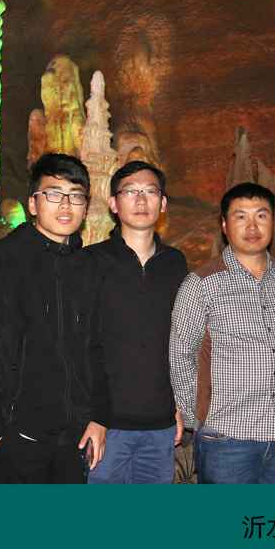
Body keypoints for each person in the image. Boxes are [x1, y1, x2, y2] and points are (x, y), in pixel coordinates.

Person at [0, 153, 107, 483]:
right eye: (54, 194)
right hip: (19, 436)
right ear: (33, 204)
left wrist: (99, 417)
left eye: (76, 196)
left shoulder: (89, 267)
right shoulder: (0, 260)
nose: (66, 205)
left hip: (75, 436)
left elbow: (98, 347)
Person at [170, 182, 275, 484]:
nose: (252, 226)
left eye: (261, 215)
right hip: (227, 436)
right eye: (241, 216)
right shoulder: (201, 283)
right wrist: (196, 419)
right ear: (224, 225)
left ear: (273, 222)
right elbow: (181, 354)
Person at [85, 161, 188, 484]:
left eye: (150, 192)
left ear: (163, 203)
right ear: (113, 204)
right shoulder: (90, 261)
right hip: (105, 424)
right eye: (130, 191)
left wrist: (178, 405)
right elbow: (81, 344)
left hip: (160, 424)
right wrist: (91, 416)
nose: (141, 200)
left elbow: (181, 341)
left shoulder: (175, 263)